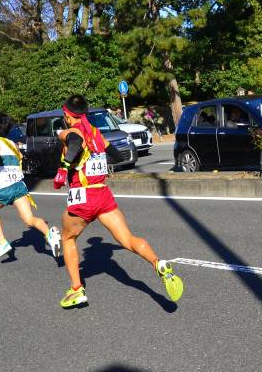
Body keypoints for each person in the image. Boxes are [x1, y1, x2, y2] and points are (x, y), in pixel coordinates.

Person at [53, 95, 183, 308]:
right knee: (128, 239)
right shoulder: (96, 133)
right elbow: (116, 156)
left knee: (67, 238)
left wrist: (63, 168)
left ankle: (77, 290)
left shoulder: (72, 132)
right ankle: (158, 263)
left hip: (83, 196)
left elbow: (75, 142)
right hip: (102, 194)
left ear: (67, 115)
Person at [0, 113, 62, 259]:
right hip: (19, 185)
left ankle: (3, 242)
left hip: (3, 187)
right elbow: (21, 157)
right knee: (29, 219)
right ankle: (50, 235)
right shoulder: (12, 144)